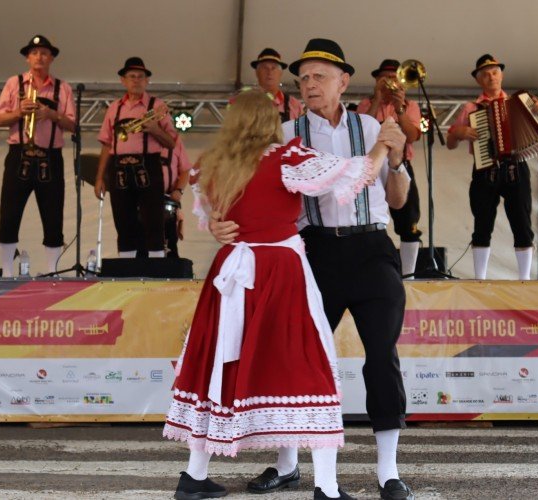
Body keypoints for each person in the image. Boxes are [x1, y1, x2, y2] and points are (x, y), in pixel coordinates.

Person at [164, 89, 404, 500]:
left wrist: (224, 224)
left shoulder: (214, 164)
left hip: (231, 271)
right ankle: (326, 487)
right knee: (307, 363)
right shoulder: (285, 159)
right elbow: (356, 175)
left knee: (219, 366)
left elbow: (211, 214)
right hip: (278, 270)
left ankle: (194, 475)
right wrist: (382, 144)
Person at [446, 54, 538, 280]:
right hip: (485, 170)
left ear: (501, 75)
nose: (490, 77)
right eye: (485, 74)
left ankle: (525, 278)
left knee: (522, 224)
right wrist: (460, 133)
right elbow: (450, 142)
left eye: (494, 72)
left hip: (517, 166)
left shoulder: (521, 102)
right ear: (478, 80)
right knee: (482, 224)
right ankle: (480, 278)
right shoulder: (471, 108)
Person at [0, 34, 76, 277]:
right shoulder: (14, 83)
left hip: (50, 156)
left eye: (44, 53)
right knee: (9, 212)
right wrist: (20, 112)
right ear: (28, 58)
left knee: (53, 213)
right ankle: (7, 270)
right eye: (34, 53)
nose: (39, 57)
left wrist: (51, 115)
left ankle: (52, 270)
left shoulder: (63, 88)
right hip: (19, 153)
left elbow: (73, 125)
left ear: (51, 58)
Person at [94, 57, 178, 258]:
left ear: (147, 81)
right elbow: (107, 144)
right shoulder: (114, 108)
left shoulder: (156, 106)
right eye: (132, 76)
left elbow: (171, 142)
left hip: (148, 166)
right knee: (123, 221)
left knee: (154, 221)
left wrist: (155, 129)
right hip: (119, 168)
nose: (136, 80)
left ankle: (157, 269)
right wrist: (99, 178)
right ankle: (127, 271)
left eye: (141, 76)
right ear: (123, 80)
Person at [357, 59, 423, 278]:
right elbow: (360, 131)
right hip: (372, 167)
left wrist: (400, 108)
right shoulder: (366, 104)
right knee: (369, 220)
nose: (389, 83)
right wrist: (377, 99)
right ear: (376, 81)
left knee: (408, 219)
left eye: (394, 79)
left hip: (400, 165)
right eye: (384, 79)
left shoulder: (409, 105)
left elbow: (412, 136)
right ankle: (370, 272)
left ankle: (409, 275)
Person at [251, 47, 304, 121]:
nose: (269, 72)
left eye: (273, 68)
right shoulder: (246, 102)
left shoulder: (294, 105)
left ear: (280, 73)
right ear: (257, 72)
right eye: (265, 68)